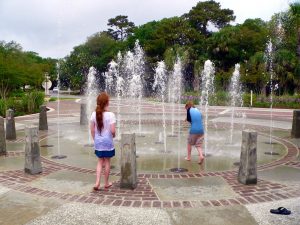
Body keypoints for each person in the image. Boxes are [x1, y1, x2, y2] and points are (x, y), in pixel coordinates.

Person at [90, 92, 116, 190]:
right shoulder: (111, 115)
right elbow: (113, 131)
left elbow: (92, 130)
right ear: (107, 103)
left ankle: (97, 183)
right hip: (108, 141)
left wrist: (95, 139)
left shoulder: (93, 114)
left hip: (98, 141)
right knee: (107, 162)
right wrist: (113, 135)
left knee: (100, 161)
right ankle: (106, 183)